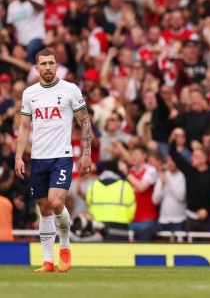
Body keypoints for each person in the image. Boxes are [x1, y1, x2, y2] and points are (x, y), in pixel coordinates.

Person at [14, 49, 92, 273]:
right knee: (44, 208)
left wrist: (86, 152)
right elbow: (24, 126)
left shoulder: (70, 89)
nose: (48, 67)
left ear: (57, 66)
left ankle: (65, 248)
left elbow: (85, 121)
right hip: (38, 158)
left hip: (61, 157)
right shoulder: (30, 93)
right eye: (43, 64)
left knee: (57, 202)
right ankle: (48, 261)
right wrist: (19, 156)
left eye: (51, 63)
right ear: (36, 68)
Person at [85, 159, 136, 241]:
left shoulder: (93, 184)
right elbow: (131, 208)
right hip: (120, 228)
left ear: (104, 169)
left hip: (97, 228)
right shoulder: (125, 185)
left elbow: (88, 204)